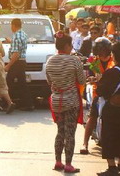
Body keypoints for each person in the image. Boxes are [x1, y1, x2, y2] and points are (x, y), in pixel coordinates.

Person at [46, 31, 85, 173]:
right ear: (67, 46)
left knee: (60, 131)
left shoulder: (50, 61)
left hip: (56, 101)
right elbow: (81, 80)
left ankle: (58, 161)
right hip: (71, 101)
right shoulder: (74, 61)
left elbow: (49, 82)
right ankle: (68, 164)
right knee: (70, 133)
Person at [96, 43, 120, 176]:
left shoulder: (110, 73)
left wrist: (98, 81)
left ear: (113, 56)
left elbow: (101, 91)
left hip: (111, 108)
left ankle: (112, 167)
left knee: (108, 136)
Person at [80, 37, 114, 154]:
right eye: (99, 50)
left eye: (103, 50)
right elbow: (90, 74)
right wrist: (92, 78)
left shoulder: (114, 61)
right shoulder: (94, 60)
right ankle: (85, 143)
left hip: (111, 94)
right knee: (92, 117)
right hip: (97, 92)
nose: (101, 53)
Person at [5, 18, 34, 110]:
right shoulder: (23, 34)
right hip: (22, 61)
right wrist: (11, 41)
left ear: (13, 25)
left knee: (8, 81)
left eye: (11, 25)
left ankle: (7, 103)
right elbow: (19, 46)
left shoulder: (17, 36)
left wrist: (8, 65)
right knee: (22, 83)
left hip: (17, 62)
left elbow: (16, 53)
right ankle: (28, 104)